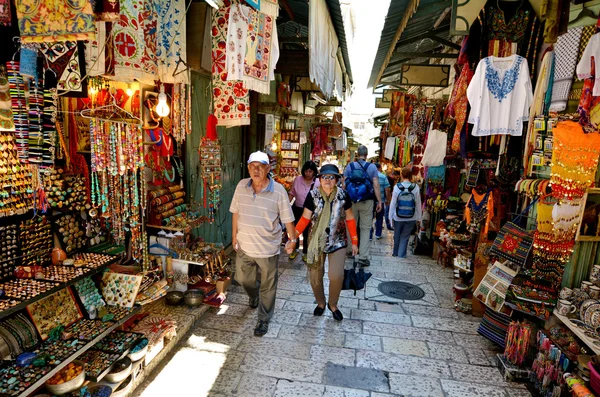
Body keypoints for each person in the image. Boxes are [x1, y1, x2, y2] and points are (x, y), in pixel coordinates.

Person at [230, 151, 296, 337]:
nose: (255, 170)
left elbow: (287, 219)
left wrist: (292, 240)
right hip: (244, 245)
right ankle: (253, 296)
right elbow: (235, 212)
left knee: (268, 286)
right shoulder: (242, 186)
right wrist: (234, 237)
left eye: (260, 166)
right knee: (243, 279)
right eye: (252, 166)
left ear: (268, 168)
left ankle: (263, 319)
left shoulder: (279, 191)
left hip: (268, 249)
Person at [294, 164, 359, 321]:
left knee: (336, 275)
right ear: (320, 179)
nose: (328, 180)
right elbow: (305, 218)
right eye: (324, 177)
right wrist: (293, 237)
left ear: (336, 180)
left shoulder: (343, 195)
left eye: (331, 177)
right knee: (315, 275)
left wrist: (355, 241)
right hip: (316, 241)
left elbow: (350, 218)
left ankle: (333, 304)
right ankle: (321, 303)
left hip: (338, 240)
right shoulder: (313, 195)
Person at [343, 145, 382, 267]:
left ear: (357, 154)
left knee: (351, 224)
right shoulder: (372, 167)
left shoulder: (349, 166)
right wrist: (379, 201)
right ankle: (363, 256)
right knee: (365, 228)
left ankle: (350, 250)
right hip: (367, 201)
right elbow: (376, 184)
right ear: (366, 154)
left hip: (351, 201)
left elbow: (344, 185)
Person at [288, 161, 320, 261]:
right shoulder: (297, 179)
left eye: (310, 171)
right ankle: (294, 249)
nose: (308, 173)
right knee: (295, 230)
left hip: (310, 211)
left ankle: (306, 252)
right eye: (306, 171)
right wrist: (286, 206)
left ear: (314, 172)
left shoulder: (318, 182)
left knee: (307, 232)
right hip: (297, 208)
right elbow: (292, 193)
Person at [389, 166, 422, 258]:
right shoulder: (415, 187)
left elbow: (393, 203)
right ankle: (401, 254)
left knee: (397, 235)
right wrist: (419, 218)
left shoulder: (397, 187)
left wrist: (390, 217)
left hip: (398, 216)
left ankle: (395, 253)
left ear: (401, 175)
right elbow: (418, 203)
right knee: (405, 236)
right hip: (411, 216)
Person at [370, 163, 391, 240]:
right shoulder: (383, 176)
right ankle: (378, 234)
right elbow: (387, 189)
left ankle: (369, 235)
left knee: (370, 218)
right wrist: (387, 199)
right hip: (381, 201)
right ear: (379, 168)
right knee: (379, 218)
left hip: (371, 200)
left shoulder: (370, 176)